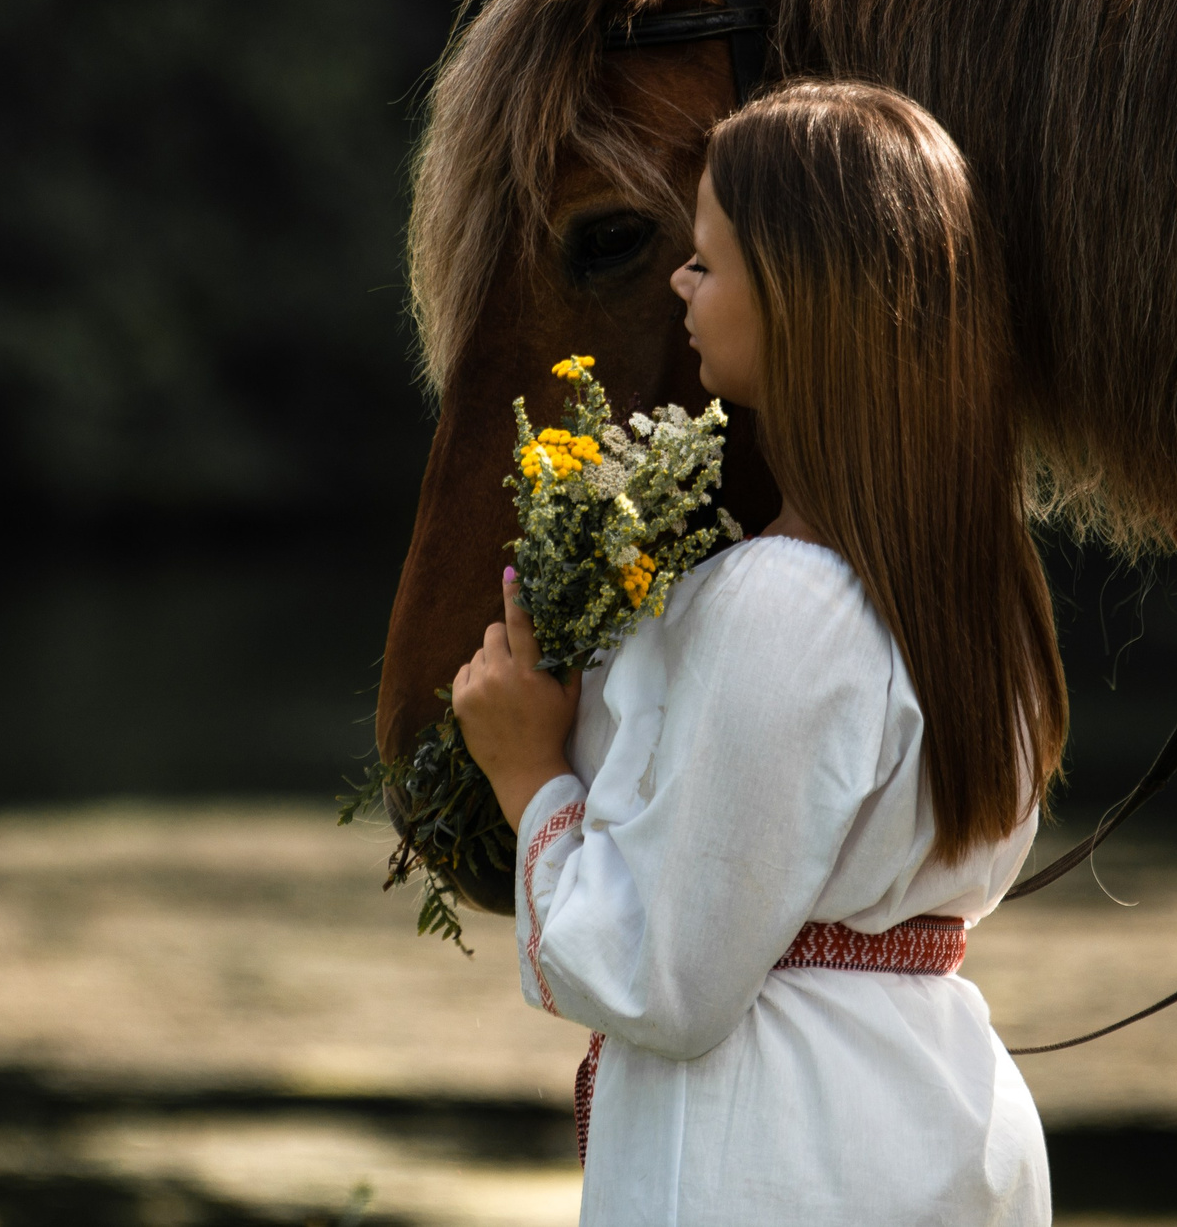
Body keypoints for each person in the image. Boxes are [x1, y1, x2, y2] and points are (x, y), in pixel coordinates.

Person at [453, 80, 1068, 1225]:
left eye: (709, 259)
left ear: (801, 299)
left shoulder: (780, 602)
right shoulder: (980, 597)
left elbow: (662, 975)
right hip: (929, 1115)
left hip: (775, 1145)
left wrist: (527, 770)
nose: (683, 284)